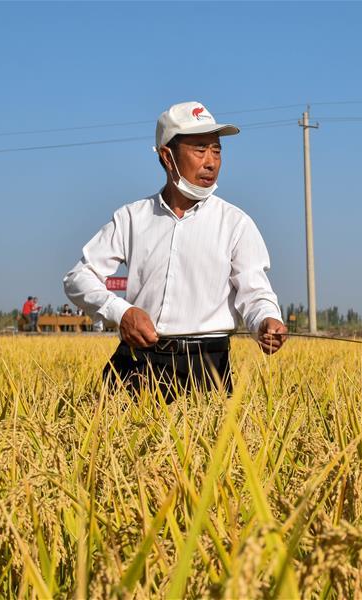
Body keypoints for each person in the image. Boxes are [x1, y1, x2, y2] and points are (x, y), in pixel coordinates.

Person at [64, 101, 288, 401]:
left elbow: (255, 292)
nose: (211, 162)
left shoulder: (236, 223)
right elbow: (79, 278)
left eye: (217, 150)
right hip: (136, 365)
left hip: (206, 372)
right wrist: (121, 312)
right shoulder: (132, 218)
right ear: (167, 157)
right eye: (199, 149)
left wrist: (267, 320)